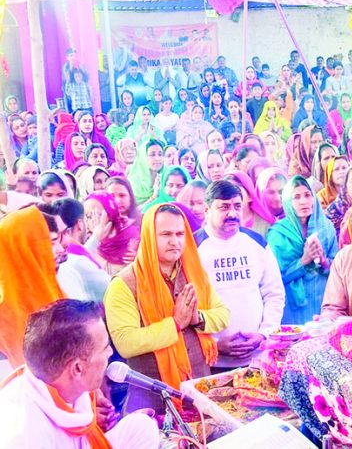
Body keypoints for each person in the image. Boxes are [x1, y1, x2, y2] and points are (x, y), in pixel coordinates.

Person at [103, 204, 229, 413]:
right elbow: (126, 342)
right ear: (149, 236)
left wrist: (197, 318)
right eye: (165, 234)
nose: (175, 241)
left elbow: (223, 314)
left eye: (180, 234)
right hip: (150, 401)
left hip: (200, 392)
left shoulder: (194, 274)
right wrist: (175, 324)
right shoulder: (123, 284)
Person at [0, 300, 159, 448]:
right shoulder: (25, 433)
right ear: (77, 369)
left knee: (141, 427)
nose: (110, 353)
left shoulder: (63, 386)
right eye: (105, 348)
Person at [195, 181, 284, 369]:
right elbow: (185, 308)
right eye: (224, 207)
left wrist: (263, 334)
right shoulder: (192, 248)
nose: (233, 214)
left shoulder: (256, 242)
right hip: (210, 361)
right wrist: (214, 343)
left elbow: (274, 294)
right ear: (206, 210)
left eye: (237, 206)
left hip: (257, 358)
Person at [0, 205, 67, 367]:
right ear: (22, 248)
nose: (59, 249)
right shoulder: (5, 311)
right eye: (50, 242)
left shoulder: (52, 287)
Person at [267, 176, 338, 324]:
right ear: (287, 202)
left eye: (307, 195)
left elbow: (337, 270)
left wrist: (323, 261)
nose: (303, 201)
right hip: (292, 307)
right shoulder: (277, 234)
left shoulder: (326, 228)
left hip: (321, 298)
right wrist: (304, 260)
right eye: (296, 197)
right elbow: (274, 278)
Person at [54, 198, 111, 301]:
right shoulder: (74, 260)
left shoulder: (64, 256)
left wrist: (95, 238)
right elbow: (111, 290)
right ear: (80, 224)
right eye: (88, 218)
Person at [83, 191, 140, 275]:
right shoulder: (88, 240)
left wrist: (140, 259)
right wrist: (95, 238)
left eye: (98, 214)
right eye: (89, 216)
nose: (93, 220)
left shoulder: (132, 235)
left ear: (111, 212)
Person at [127, 138, 165, 206]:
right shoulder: (132, 184)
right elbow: (132, 213)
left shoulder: (166, 178)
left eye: (160, 154)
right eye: (152, 155)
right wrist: (154, 197)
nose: (157, 158)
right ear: (143, 157)